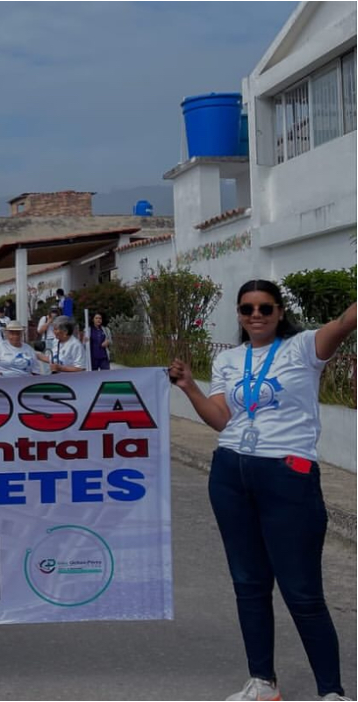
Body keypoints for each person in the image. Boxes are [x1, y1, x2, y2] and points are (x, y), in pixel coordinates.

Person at [170, 280, 356, 702]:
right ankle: (262, 683)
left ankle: (331, 691)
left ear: (279, 312)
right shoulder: (230, 360)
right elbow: (221, 420)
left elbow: (346, 321)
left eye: (265, 308)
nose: (256, 315)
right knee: (249, 583)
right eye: (247, 308)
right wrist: (188, 387)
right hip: (230, 472)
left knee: (302, 590)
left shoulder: (304, 347)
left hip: (287, 474)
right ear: (238, 314)